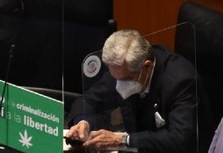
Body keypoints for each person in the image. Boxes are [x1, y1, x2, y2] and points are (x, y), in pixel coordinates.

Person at [66, 29, 209, 153]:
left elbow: (180, 139)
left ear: (146, 67)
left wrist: (122, 140)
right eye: (115, 77)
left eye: (125, 79)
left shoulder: (181, 81)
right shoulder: (122, 68)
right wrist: (82, 123)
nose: (118, 84)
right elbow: (88, 100)